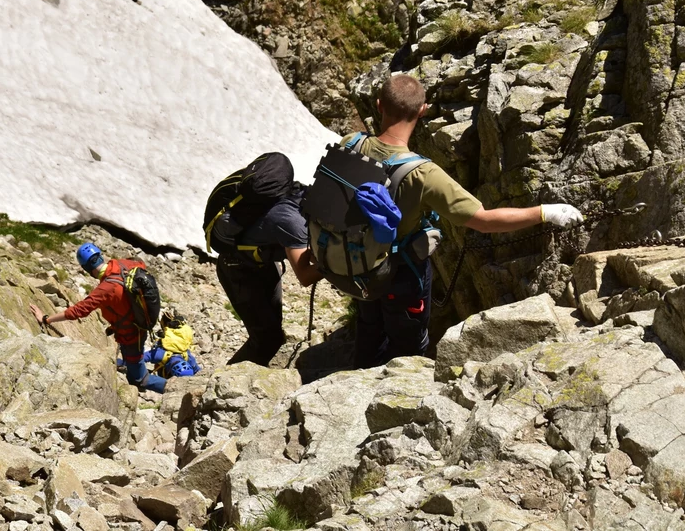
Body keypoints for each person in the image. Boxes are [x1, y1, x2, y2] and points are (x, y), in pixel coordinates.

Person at [342, 73, 584, 369]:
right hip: (401, 277)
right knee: (406, 348)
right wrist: (545, 212)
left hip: (356, 265)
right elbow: (483, 220)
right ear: (422, 111)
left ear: (379, 106)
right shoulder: (422, 174)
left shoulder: (350, 144)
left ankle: (358, 374)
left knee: (369, 328)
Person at [29, 242, 166, 393]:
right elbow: (141, 264)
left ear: (87, 269)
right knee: (129, 362)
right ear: (100, 256)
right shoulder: (122, 264)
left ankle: (174, 389)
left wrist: (46, 319)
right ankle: (129, 367)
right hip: (138, 328)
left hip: (130, 336)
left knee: (141, 379)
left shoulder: (105, 290)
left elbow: (77, 311)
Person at [214, 184, 324, 366]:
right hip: (237, 271)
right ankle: (226, 383)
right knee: (266, 340)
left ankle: (253, 372)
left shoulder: (302, 196)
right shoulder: (293, 221)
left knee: (272, 332)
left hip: (260, 264)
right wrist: (337, 262)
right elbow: (304, 276)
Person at [141, 309, 201, 379]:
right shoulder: (162, 355)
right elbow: (198, 370)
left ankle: (168, 328)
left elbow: (140, 358)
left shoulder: (187, 357)